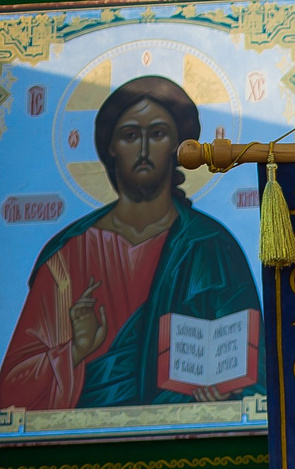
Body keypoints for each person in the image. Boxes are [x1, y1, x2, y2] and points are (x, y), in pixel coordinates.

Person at [0, 76, 260, 410]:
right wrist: (75, 350)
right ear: (110, 145)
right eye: (129, 135)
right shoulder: (67, 255)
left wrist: (227, 390)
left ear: (179, 145)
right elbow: (12, 390)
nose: (143, 149)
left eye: (157, 134)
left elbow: (254, 366)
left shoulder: (210, 244)